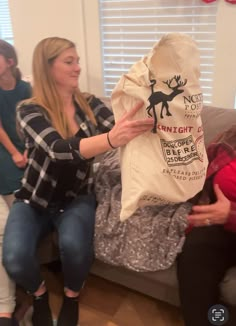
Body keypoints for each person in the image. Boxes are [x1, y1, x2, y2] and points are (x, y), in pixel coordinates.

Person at [2, 36, 154, 326]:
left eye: (78, 61)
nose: (78, 68)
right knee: (14, 257)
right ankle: (39, 293)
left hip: (75, 198)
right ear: (47, 68)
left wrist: (149, 110)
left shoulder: (91, 104)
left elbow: (122, 130)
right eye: (69, 62)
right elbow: (58, 150)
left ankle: (72, 294)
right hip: (34, 198)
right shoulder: (28, 109)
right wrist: (110, 139)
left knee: (75, 247)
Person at [177, 126, 236, 326]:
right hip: (219, 222)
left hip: (229, 217)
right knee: (195, 250)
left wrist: (230, 214)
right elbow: (200, 179)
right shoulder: (230, 137)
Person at [0, 39, 31, 326]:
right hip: (6, 154)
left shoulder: (26, 90)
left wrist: (28, 152)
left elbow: (37, 123)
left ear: (9, 60)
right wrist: (13, 153)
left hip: (27, 153)